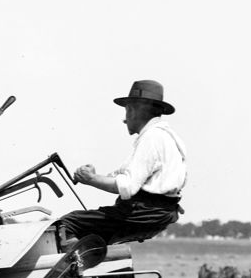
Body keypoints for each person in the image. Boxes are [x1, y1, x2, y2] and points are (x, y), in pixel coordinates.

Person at [57, 80, 187, 249]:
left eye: (127, 110)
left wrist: (91, 179)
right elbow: (131, 176)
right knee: (94, 235)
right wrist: (97, 176)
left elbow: (127, 186)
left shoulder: (151, 138)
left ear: (136, 109)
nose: (124, 119)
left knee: (66, 224)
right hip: (160, 213)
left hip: (143, 212)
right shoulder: (166, 137)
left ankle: (68, 269)